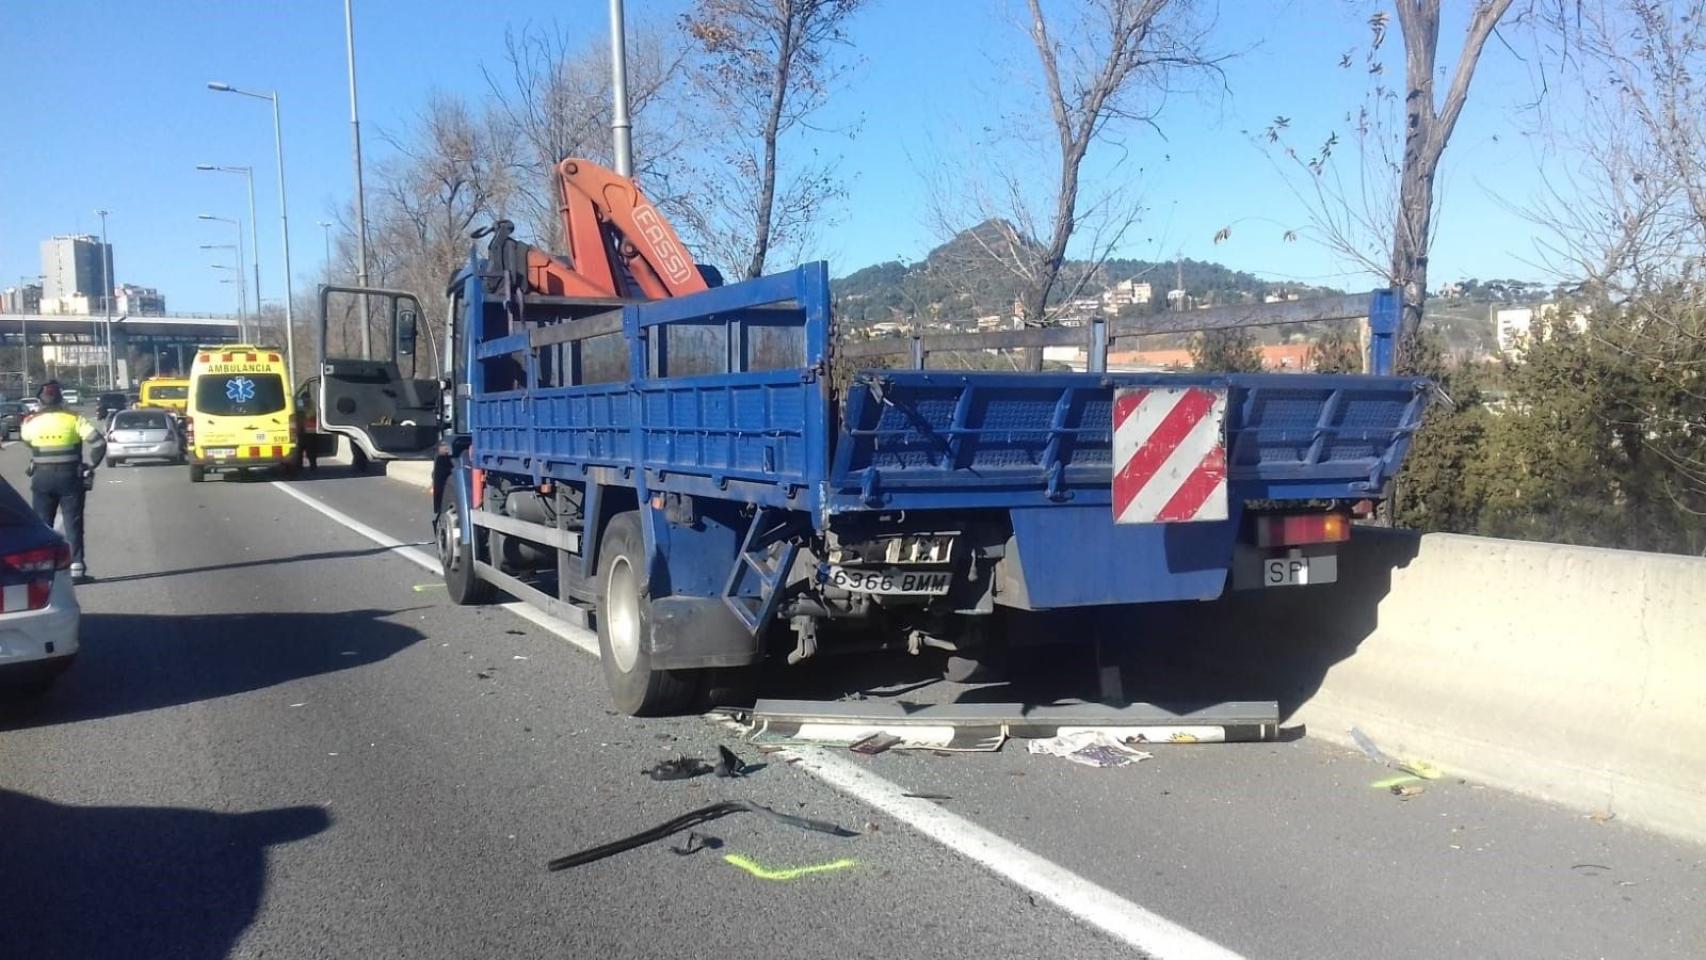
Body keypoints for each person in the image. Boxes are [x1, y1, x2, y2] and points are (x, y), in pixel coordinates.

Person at [20, 381, 105, 583]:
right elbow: (99, 443)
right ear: (61, 398)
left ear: (40, 399)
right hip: (70, 478)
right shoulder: (74, 419)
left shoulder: (31, 421)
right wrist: (90, 466)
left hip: (42, 478)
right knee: (73, 523)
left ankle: (42, 570)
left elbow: (27, 440)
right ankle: (77, 569)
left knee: (42, 526)